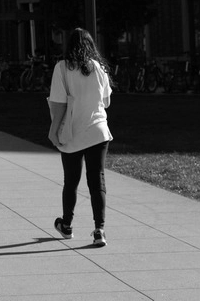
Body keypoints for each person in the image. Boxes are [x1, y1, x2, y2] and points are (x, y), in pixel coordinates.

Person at [47, 27, 113, 248]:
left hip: (73, 132)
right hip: (97, 131)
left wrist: (53, 130)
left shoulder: (62, 68)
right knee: (97, 181)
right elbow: (106, 102)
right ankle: (99, 230)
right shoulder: (98, 68)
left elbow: (58, 103)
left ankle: (66, 226)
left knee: (71, 182)